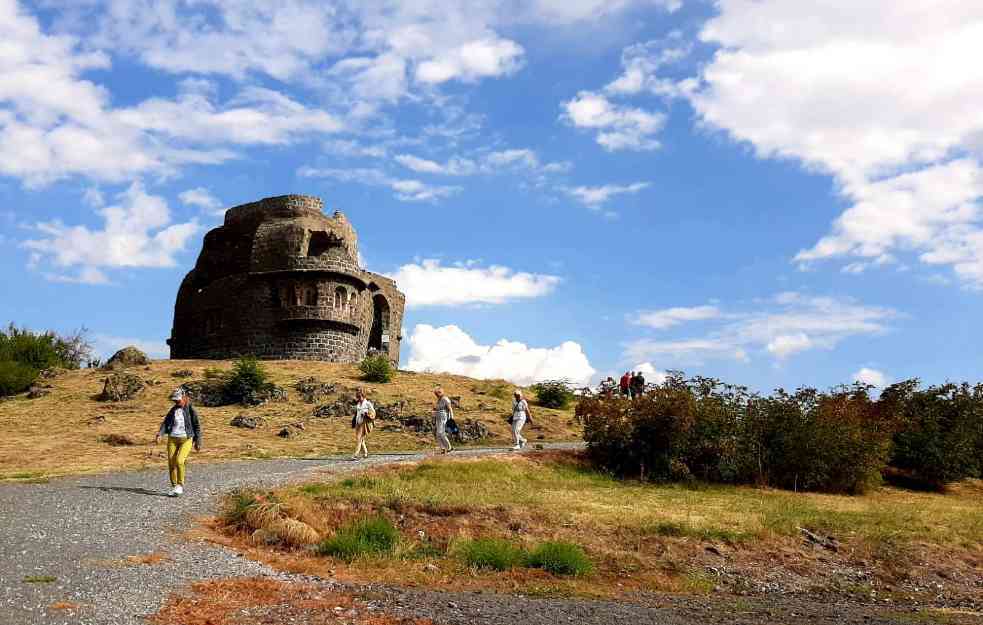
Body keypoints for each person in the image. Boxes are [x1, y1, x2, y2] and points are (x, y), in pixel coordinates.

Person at [155, 388, 202, 497]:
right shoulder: (173, 410)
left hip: (187, 439)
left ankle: (180, 485)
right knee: (171, 463)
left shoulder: (191, 410)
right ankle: (174, 486)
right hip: (173, 439)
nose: (176, 402)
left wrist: (198, 441)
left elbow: (197, 426)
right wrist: (160, 434)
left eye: (178, 400)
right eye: (175, 401)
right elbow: (165, 423)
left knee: (179, 461)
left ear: (185, 398)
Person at [352, 388, 375, 460]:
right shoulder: (358, 404)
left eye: (360, 397)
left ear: (363, 396)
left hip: (364, 423)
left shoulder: (368, 404)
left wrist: (367, 414)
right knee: (361, 439)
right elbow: (357, 413)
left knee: (359, 438)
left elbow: (373, 413)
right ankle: (365, 453)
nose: (359, 398)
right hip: (358, 423)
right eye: (358, 397)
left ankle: (355, 454)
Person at [433, 387, 454, 454]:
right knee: (438, 434)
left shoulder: (445, 399)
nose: (436, 395)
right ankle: (442, 448)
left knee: (441, 433)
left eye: (437, 393)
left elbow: (450, 409)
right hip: (438, 418)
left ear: (440, 392)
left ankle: (449, 448)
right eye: (435, 394)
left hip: (443, 418)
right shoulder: (439, 400)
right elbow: (437, 409)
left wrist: (451, 418)